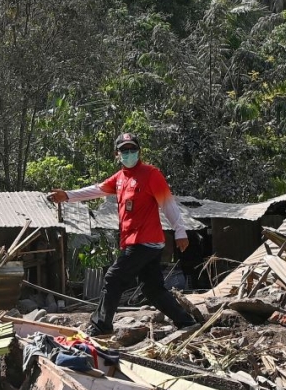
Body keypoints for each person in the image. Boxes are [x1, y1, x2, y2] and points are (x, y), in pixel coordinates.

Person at [49, 132, 198, 336]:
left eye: (132, 149)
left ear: (139, 151)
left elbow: (167, 203)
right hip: (134, 242)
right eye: (124, 150)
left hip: (145, 241)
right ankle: (186, 322)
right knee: (152, 289)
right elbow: (96, 190)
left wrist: (180, 230)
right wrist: (67, 196)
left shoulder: (151, 174)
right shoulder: (119, 178)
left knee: (113, 277)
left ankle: (101, 325)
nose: (129, 153)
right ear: (117, 154)